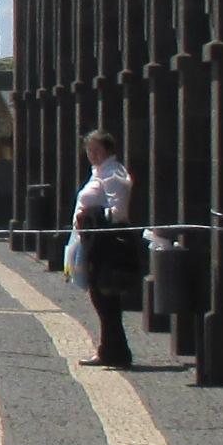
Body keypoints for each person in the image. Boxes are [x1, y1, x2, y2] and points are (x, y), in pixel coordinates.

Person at [71, 129, 142, 369]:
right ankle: (111, 348)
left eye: (96, 150)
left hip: (106, 242)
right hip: (92, 240)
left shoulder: (113, 174)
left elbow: (118, 211)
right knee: (100, 297)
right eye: (89, 150)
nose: (92, 154)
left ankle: (115, 351)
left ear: (108, 150)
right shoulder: (99, 172)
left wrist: (91, 216)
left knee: (105, 296)